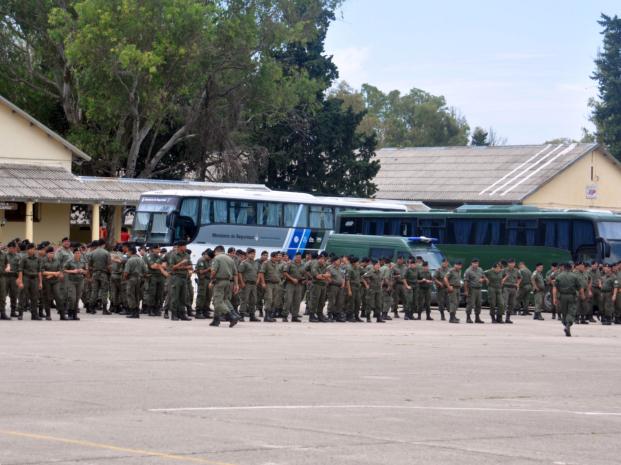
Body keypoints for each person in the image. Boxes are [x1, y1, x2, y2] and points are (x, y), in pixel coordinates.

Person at [209, 245, 240, 327]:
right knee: (225, 300)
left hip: (219, 282)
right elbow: (235, 273)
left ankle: (231, 316)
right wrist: (236, 285)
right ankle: (217, 320)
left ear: (216, 251)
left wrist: (211, 280)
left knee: (217, 301)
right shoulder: (230, 259)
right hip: (228, 282)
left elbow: (213, 271)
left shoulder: (217, 258)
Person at [553, 262, 584, 337]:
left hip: (562, 297)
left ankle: (565, 323)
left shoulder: (559, 276)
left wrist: (554, 298)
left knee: (564, 312)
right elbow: (580, 288)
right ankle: (568, 324)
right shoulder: (575, 276)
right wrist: (582, 295)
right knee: (571, 311)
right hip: (571, 296)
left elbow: (554, 288)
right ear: (571, 268)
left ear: (564, 267)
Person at [167, 241, 193, 321]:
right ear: (179, 247)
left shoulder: (187, 255)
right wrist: (181, 264)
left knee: (183, 297)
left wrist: (185, 267)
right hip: (176, 277)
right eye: (184, 246)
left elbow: (190, 266)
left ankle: (182, 314)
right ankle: (174, 314)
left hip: (184, 277)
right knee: (175, 296)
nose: (186, 247)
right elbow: (172, 268)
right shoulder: (173, 255)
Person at [17, 243, 42, 320]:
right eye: (33, 249)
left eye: (35, 249)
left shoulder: (38, 259)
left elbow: (39, 271)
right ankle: (20, 314)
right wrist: (20, 281)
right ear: (28, 250)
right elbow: (20, 270)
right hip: (26, 278)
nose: (34, 250)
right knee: (23, 296)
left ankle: (34, 314)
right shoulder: (24, 258)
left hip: (34, 279)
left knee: (35, 297)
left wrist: (40, 282)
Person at [41, 246, 66, 320]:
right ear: (47, 253)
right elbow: (42, 271)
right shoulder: (43, 260)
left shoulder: (56, 260)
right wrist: (54, 273)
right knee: (47, 298)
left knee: (59, 297)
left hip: (56, 281)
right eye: (50, 253)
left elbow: (60, 270)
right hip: (46, 281)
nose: (51, 254)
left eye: (53, 253)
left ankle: (62, 315)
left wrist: (52, 275)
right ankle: (48, 315)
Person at [63, 247, 87, 320]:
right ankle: (70, 313)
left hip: (80, 281)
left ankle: (75, 314)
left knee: (77, 298)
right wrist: (72, 271)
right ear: (73, 254)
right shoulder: (69, 261)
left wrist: (82, 271)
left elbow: (87, 271)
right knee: (72, 298)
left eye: (79, 253)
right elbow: (63, 269)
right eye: (76, 253)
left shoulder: (83, 261)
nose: (78, 254)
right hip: (71, 281)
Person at [88, 239, 111, 314]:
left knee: (94, 291)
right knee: (104, 291)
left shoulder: (92, 253)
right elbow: (109, 266)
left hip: (95, 274)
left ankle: (91, 308)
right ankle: (104, 309)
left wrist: (91, 274)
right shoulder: (106, 253)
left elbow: (89, 266)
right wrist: (109, 273)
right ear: (103, 244)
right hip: (103, 274)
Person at [123, 246, 147, 319]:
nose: (127, 253)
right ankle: (137, 312)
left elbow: (126, 272)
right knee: (137, 295)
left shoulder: (130, 260)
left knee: (130, 295)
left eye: (128, 252)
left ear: (130, 251)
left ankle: (133, 312)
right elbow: (145, 272)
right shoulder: (141, 260)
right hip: (139, 279)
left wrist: (126, 279)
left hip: (131, 279)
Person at [258, 251, 282, 323]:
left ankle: (270, 315)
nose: (277, 258)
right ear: (272, 257)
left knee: (274, 300)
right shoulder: (266, 263)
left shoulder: (277, 264)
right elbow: (261, 273)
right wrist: (263, 283)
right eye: (276, 257)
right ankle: (266, 316)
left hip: (276, 284)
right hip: (269, 284)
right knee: (269, 299)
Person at [144, 245, 167, 317]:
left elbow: (165, 266)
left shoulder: (160, 257)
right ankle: (150, 309)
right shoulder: (149, 256)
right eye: (157, 249)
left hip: (160, 277)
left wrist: (159, 265)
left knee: (159, 294)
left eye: (159, 249)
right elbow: (152, 266)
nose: (159, 250)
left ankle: (157, 309)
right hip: (152, 277)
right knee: (152, 293)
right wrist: (160, 265)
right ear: (153, 249)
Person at [282, 252, 306, 322]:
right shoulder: (289, 264)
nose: (298, 258)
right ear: (295, 257)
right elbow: (285, 273)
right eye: (297, 257)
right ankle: (285, 316)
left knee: (297, 301)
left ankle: (294, 316)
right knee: (288, 300)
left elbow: (304, 273)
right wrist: (292, 279)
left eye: (300, 257)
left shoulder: (303, 265)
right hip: (290, 284)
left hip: (299, 284)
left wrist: (304, 279)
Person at [463, 258, 486, 324]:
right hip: (471, 289)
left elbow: (483, 277)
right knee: (470, 303)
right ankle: (468, 317)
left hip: (479, 289)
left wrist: (482, 279)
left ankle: (477, 318)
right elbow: (465, 282)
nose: (476, 264)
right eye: (474, 263)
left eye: (477, 263)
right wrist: (466, 291)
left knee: (479, 304)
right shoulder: (468, 271)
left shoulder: (480, 269)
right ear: (471, 263)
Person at [309, 253, 330, 322]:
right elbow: (317, 277)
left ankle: (320, 314)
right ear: (318, 259)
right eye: (321, 259)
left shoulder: (325, 266)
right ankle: (311, 315)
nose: (323, 260)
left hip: (323, 285)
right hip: (316, 285)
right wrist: (325, 276)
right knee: (315, 301)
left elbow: (329, 275)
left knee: (322, 301)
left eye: (323, 259)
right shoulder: (315, 266)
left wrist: (323, 276)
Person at [501, 259, 521, 324]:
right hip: (506, 288)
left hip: (513, 288)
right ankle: (500, 317)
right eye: (510, 263)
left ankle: (508, 318)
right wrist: (503, 281)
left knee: (512, 304)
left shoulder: (516, 271)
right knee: (504, 303)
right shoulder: (504, 270)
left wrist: (518, 284)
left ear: (514, 264)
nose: (512, 264)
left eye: (513, 263)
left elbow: (520, 277)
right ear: (508, 264)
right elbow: (500, 277)